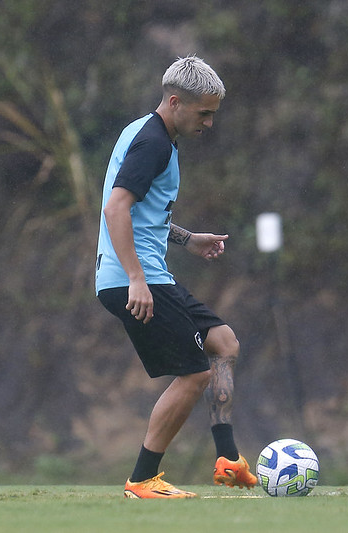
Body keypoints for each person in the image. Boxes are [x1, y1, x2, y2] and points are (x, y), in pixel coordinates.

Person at [95, 55, 256, 499]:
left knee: (224, 343)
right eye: (204, 113)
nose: (209, 122)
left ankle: (228, 459)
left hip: (151, 274)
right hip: (136, 279)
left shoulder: (148, 133)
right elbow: (115, 209)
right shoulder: (154, 143)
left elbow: (145, 214)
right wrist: (136, 278)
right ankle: (143, 478)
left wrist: (189, 240)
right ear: (175, 102)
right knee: (193, 373)